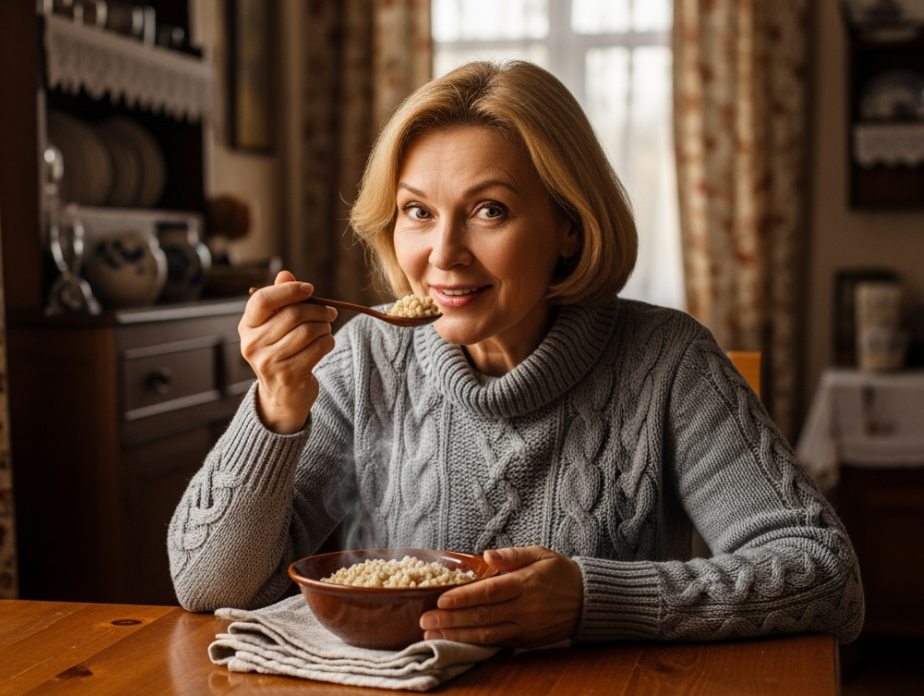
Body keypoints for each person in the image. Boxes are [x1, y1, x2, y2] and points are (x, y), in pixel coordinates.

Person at [168, 61, 863, 648]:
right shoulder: (366, 356)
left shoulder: (669, 362)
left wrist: (590, 599)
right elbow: (209, 585)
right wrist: (275, 408)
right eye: (418, 211)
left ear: (568, 225)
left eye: (489, 210)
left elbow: (827, 577)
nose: (443, 254)